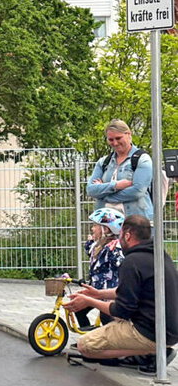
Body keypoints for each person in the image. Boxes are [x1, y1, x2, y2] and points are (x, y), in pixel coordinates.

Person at [65, 214, 178, 363]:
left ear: (128, 235)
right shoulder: (159, 256)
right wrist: (98, 294)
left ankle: (150, 352)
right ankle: (147, 351)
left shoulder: (132, 262)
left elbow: (122, 310)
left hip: (149, 331)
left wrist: (90, 302)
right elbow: (130, 291)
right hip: (169, 330)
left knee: (85, 345)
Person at [86, 119, 154, 221]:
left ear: (128, 134)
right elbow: (91, 190)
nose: (115, 143)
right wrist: (116, 185)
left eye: (118, 138)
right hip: (107, 225)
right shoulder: (103, 162)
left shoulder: (142, 159)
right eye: (111, 140)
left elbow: (137, 191)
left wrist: (103, 195)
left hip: (136, 224)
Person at [74, 207, 124, 328]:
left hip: (108, 290)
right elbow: (91, 253)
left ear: (105, 229)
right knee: (78, 308)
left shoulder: (114, 246)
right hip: (96, 289)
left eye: (95, 226)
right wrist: (89, 243)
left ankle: (112, 341)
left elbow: (121, 262)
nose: (92, 229)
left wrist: (117, 257)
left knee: (106, 316)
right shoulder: (99, 245)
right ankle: (89, 337)